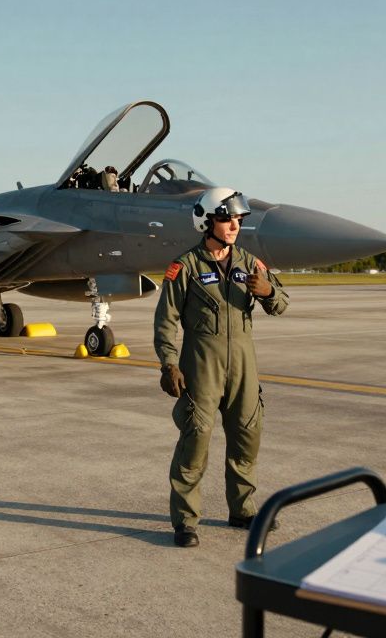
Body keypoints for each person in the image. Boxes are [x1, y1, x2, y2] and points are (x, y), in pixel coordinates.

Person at [154, 187, 288, 548]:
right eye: (227, 219)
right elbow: (166, 320)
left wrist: (268, 292)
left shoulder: (250, 263)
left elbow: (281, 305)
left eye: (238, 220)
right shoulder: (186, 267)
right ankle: (185, 522)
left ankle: (242, 510)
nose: (234, 226)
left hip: (244, 367)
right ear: (207, 221)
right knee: (195, 441)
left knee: (247, 437)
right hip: (202, 367)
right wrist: (169, 364)